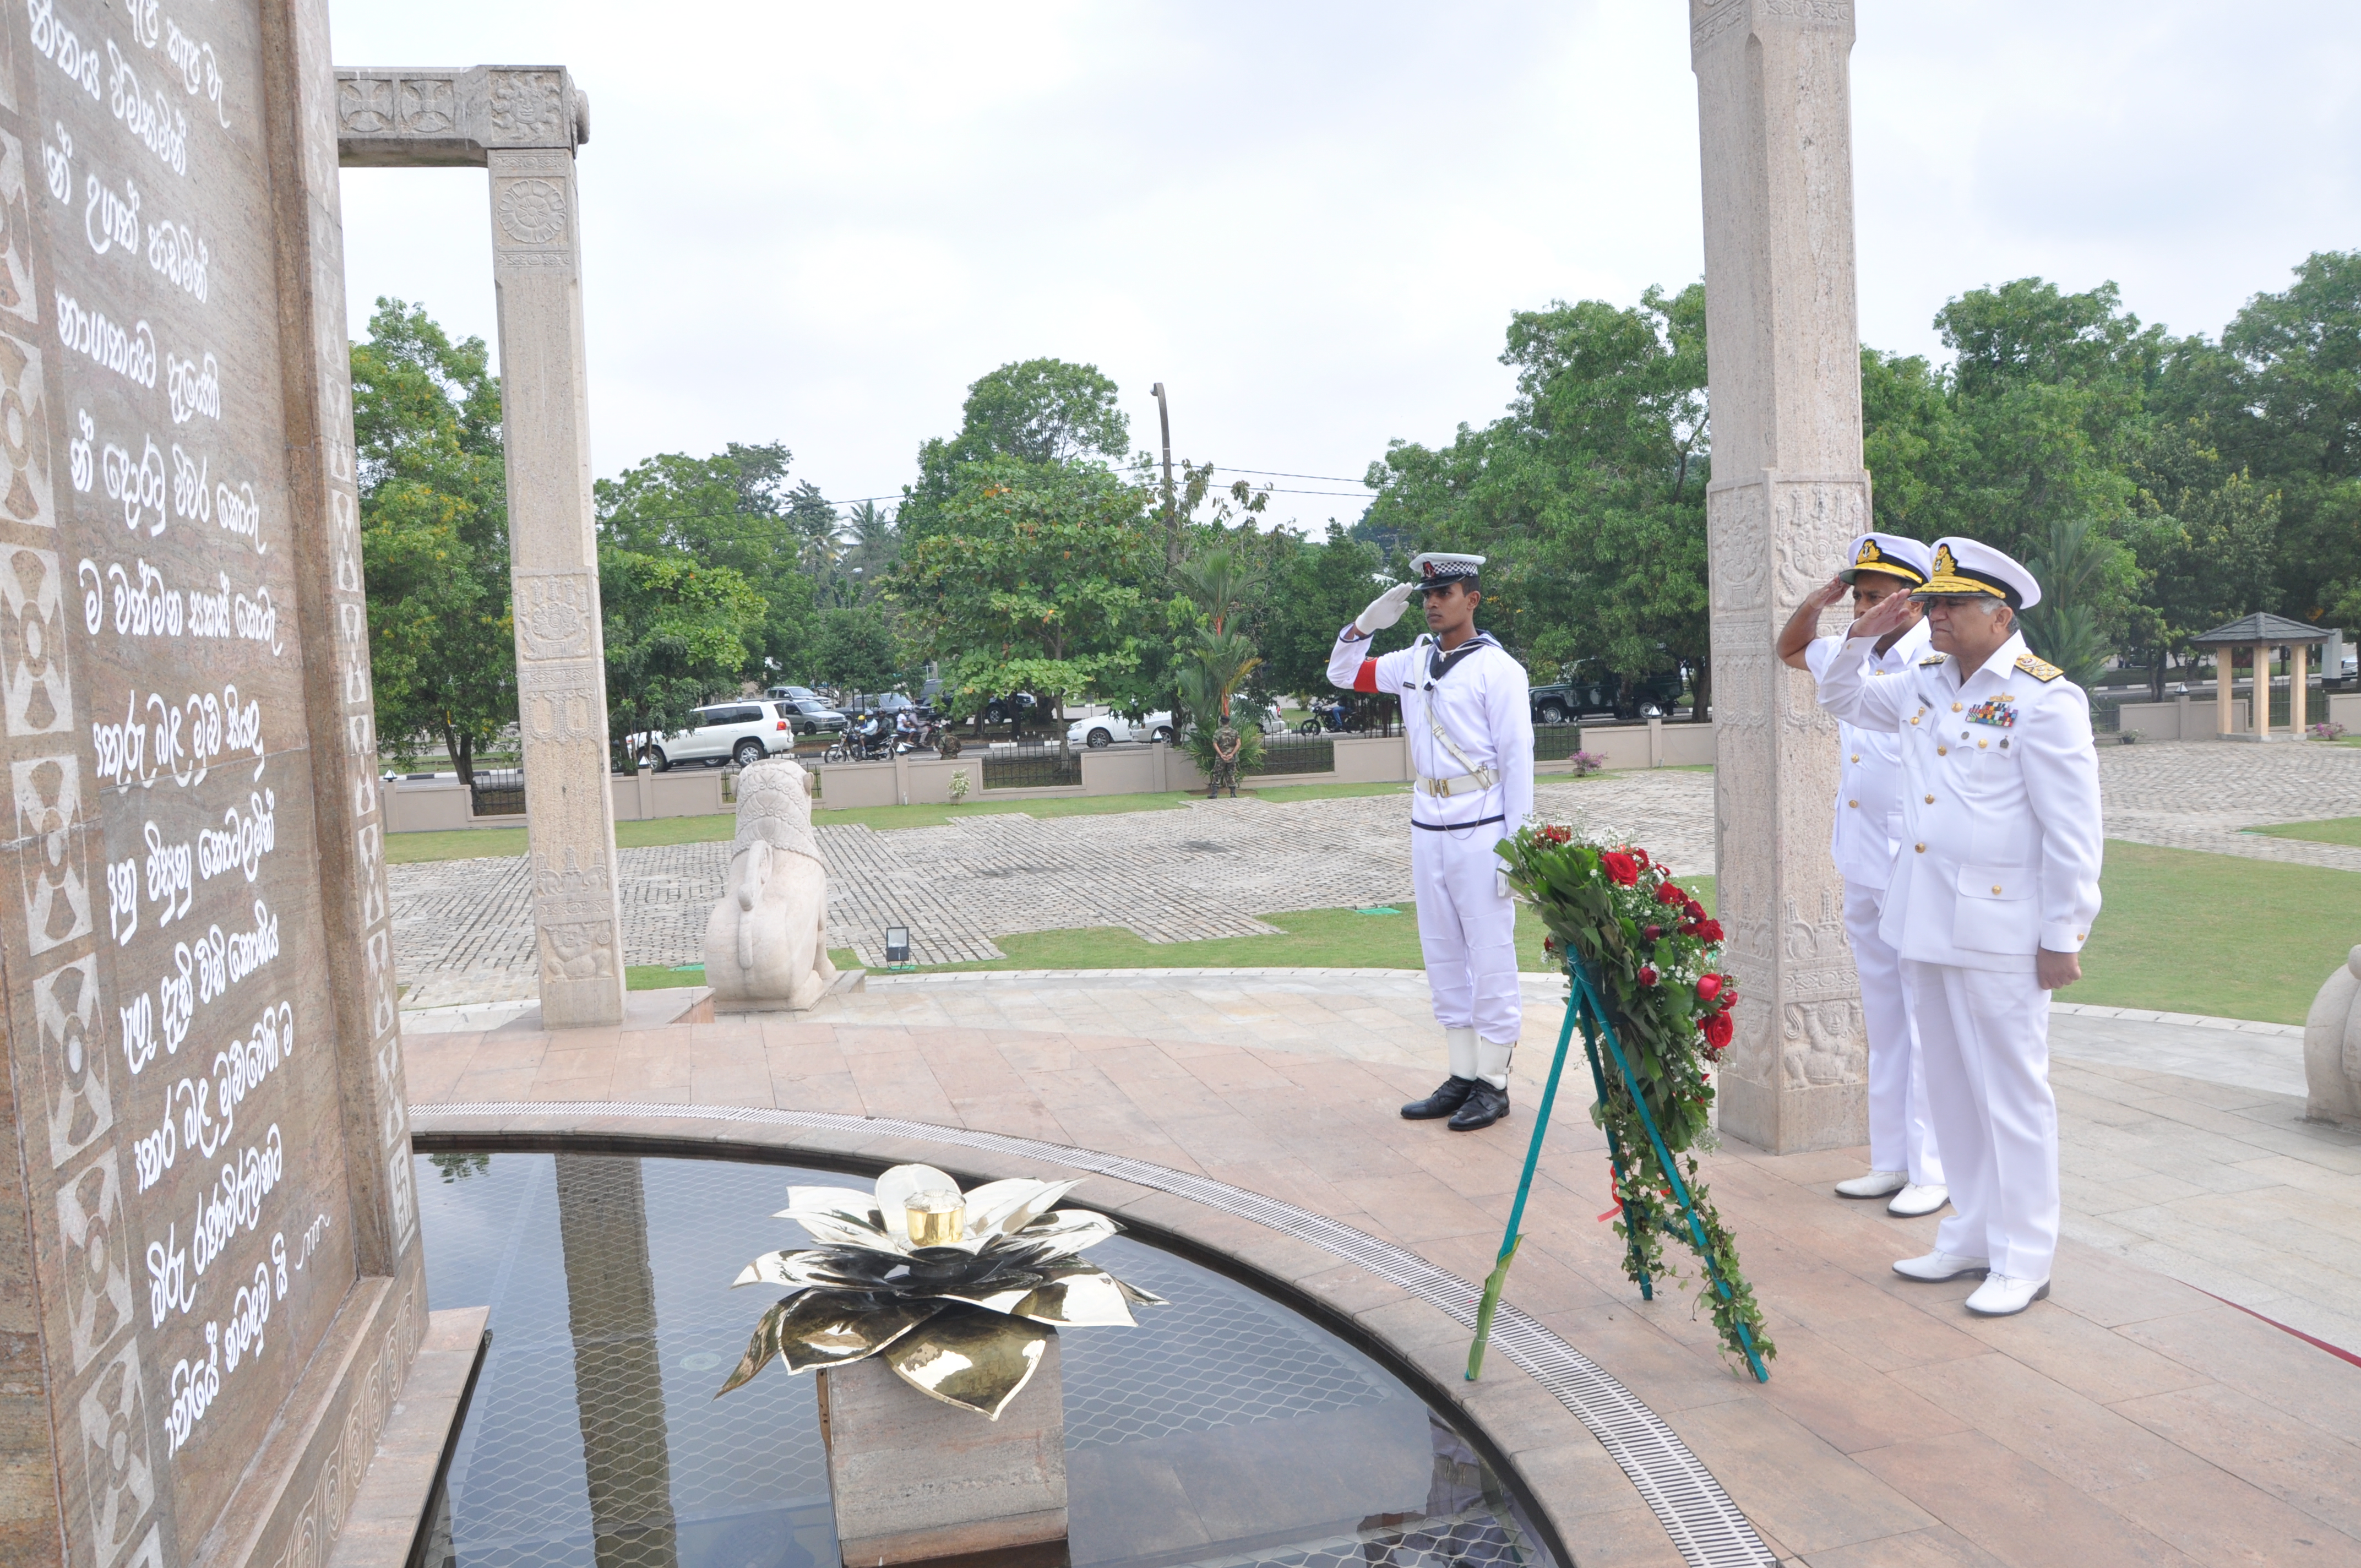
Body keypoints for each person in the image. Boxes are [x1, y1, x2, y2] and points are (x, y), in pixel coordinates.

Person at [1812, 537, 2102, 1318]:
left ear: (1998, 615)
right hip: (1924, 916)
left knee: (2010, 1092)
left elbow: (2073, 832)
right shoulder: (1921, 684)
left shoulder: (2046, 700)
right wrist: (1865, 634)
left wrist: (2064, 934)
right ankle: (1972, 1234)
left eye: (1949, 604)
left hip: (2004, 925)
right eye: (1931, 602)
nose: (1933, 615)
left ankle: (2024, 1255)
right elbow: (1839, 699)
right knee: (1950, 1087)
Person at [1330, 552, 1533, 1131]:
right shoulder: (1413, 660)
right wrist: (1361, 628)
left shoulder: (1499, 670)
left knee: (1490, 955)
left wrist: (1515, 851)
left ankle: (1492, 1083)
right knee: (1442, 950)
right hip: (1428, 820)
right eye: (1428, 593)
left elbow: (1518, 763)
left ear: (1472, 599)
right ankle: (1461, 1073)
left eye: (1445, 592)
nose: (1432, 602)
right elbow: (1343, 675)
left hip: (1482, 825)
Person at [1777, 533, 1949, 1219]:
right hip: (1863, 860)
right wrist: (1816, 603)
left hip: (1914, 861)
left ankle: (1934, 1168)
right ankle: (1892, 1160)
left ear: (1912, 599)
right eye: (1860, 595)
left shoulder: (1932, 663)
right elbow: (1790, 650)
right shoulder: (1854, 652)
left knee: (1924, 1014)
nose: (1867, 607)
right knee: (1882, 1017)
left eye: (1880, 596)